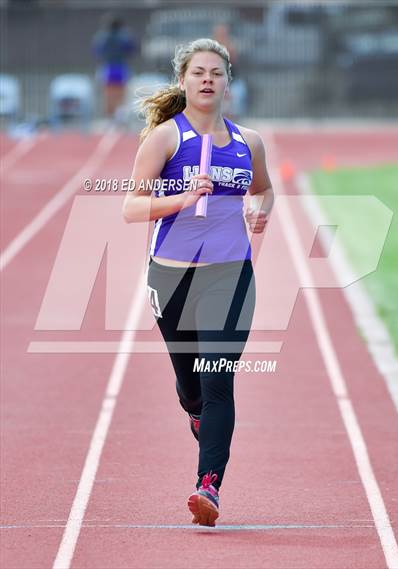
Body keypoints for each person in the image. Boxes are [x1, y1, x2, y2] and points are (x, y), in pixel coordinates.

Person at [123, 38, 273, 527]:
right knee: (192, 389)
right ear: (183, 81)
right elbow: (131, 207)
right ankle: (193, 412)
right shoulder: (167, 138)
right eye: (198, 72)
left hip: (231, 277)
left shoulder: (249, 142)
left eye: (216, 72)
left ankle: (208, 485)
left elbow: (265, 189)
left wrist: (260, 209)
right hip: (172, 277)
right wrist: (182, 199)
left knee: (217, 382)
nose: (207, 79)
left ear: (228, 81)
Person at [92, 14, 137, 118]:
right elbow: (132, 49)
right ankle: (119, 116)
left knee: (108, 94)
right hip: (121, 67)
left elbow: (97, 51)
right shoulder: (124, 36)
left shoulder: (102, 37)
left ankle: (110, 117)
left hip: (108, 67)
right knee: (121, 94)